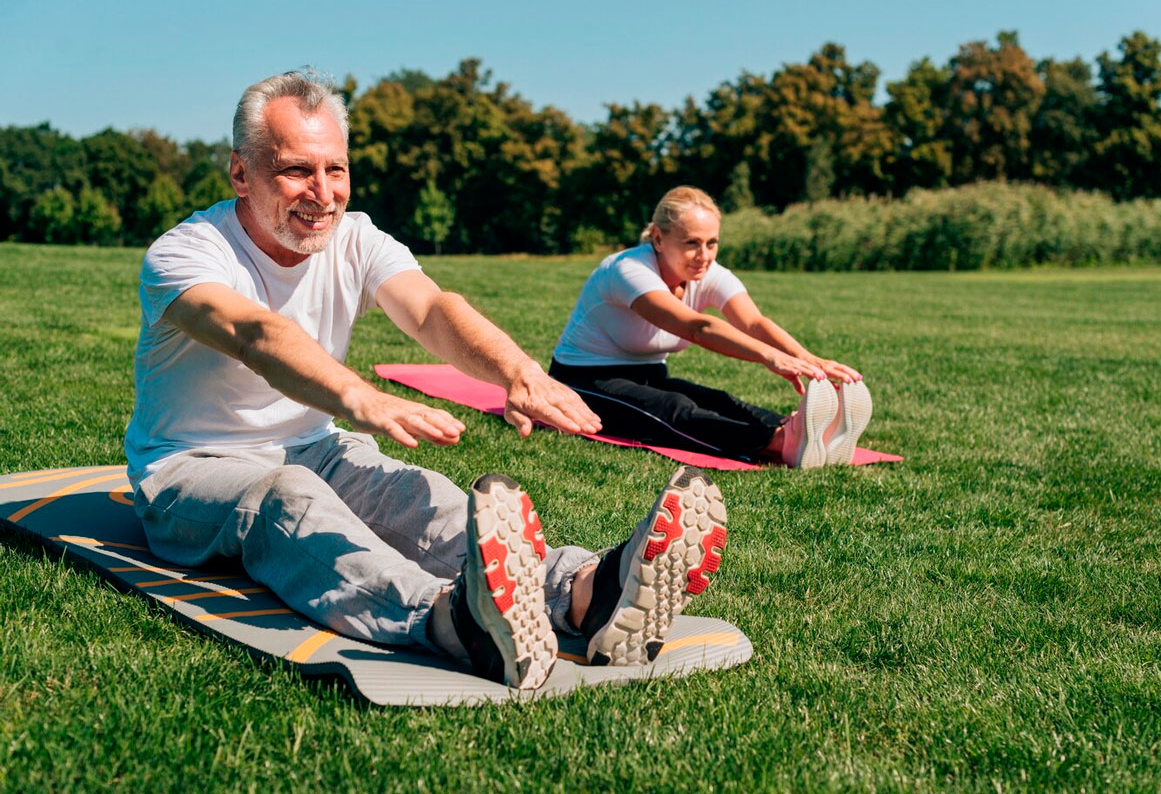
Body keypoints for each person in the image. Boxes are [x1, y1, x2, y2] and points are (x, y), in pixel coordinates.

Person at [123, 69, 728, 691]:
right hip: (191, 468)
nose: (323, 192)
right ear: (240, 173)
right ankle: (452, 619)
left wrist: (516, 372)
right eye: (296, 170)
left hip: (318, 448)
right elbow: (255, 334)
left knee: (417, 496)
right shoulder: (186, 253)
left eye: (336, 169)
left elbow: (433, 309)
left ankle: (584, 595)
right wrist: (359, 397)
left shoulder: (355, 238)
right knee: (286, 501)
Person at [549, 186, 872, 470]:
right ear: (659, 238)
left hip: (648, 375)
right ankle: (776, 443)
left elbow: (753, 322)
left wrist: (810, 360)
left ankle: (796, 430)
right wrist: (769, 357)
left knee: (718, 400)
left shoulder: (708, 272)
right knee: (672, 409)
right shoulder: (627, 270)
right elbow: (698, 328)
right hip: (583, 381)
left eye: (712, 243)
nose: (703, 256)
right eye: (691, 243)